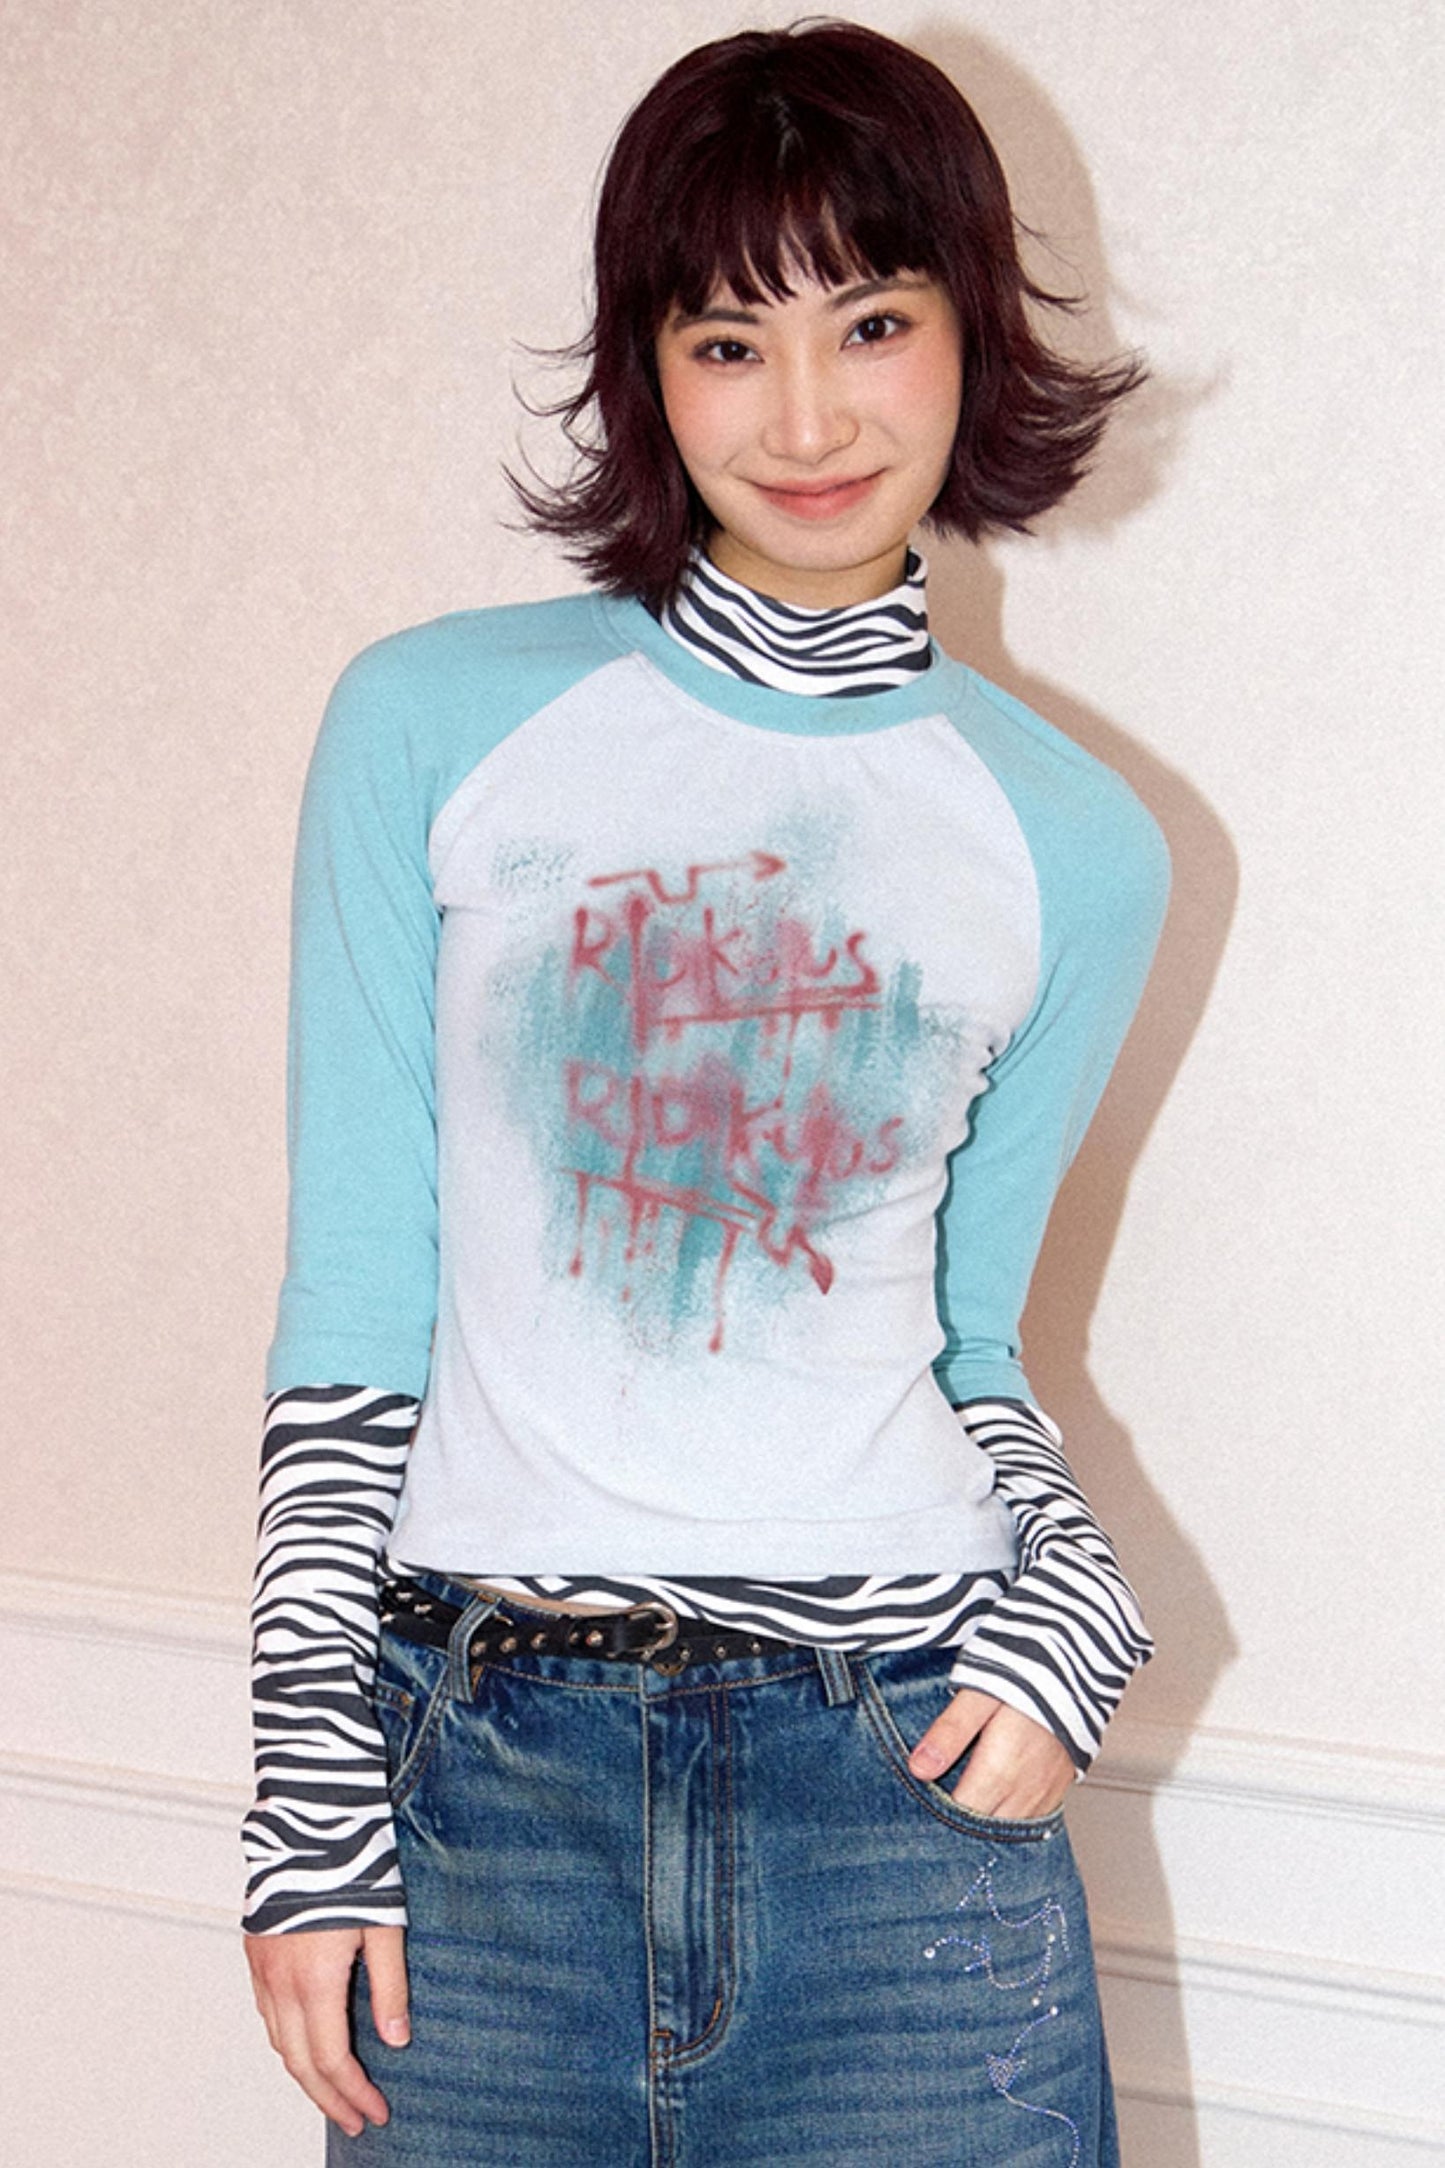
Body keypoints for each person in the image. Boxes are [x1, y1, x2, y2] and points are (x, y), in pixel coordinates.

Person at [243, 21, 1169, 2165]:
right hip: (476, 1798)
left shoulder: (1075, 843)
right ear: (646, 374)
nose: (810, 417)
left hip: (900, 1796)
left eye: (873, 322)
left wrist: (1075, 1598)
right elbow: (357, 1308)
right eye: (727, 341)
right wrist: (305, 1798)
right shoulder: (430, 725)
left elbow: (965, 1341)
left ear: (971, 331)